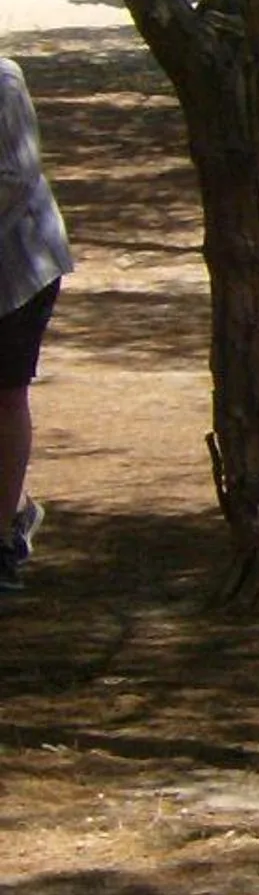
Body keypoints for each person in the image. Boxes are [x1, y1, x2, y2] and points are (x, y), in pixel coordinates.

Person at [0, 58, 71, 592]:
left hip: (17, 268)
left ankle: (4, 535)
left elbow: (15, 179)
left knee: (3, 394)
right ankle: (17, 505)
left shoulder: (4, 83)